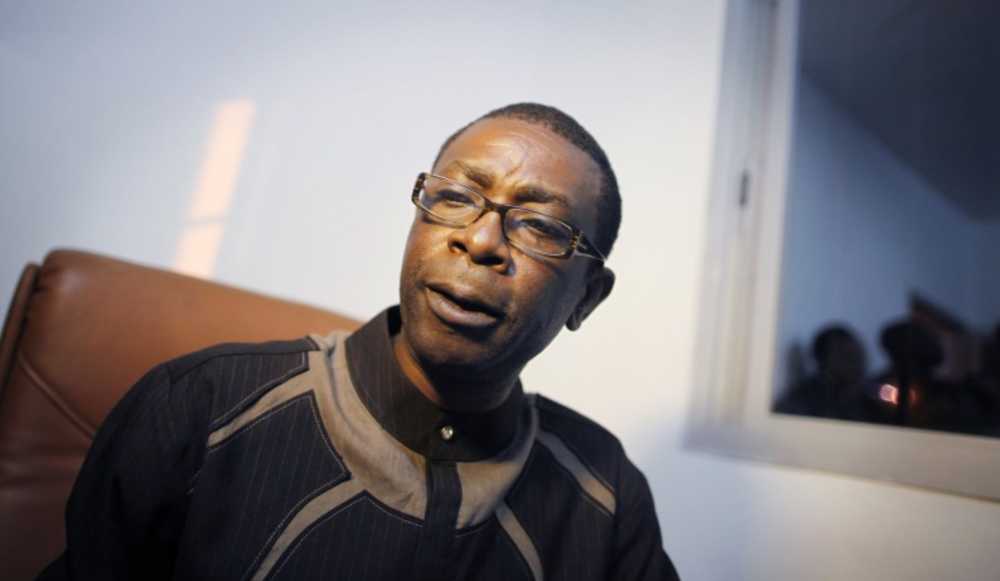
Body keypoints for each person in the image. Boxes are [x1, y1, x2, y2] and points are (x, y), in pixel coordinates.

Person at [39, 103, 680, 580]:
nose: (480, 240)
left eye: (538, 225)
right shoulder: (198, 407)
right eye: (456, 197)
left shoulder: (604, 491)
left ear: (587, 297)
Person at [775, 324, 867, 419]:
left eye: (856, 356)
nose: (855, 363)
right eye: (845, 356)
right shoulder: (801, 400)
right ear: (823, 362)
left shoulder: (869, 400)